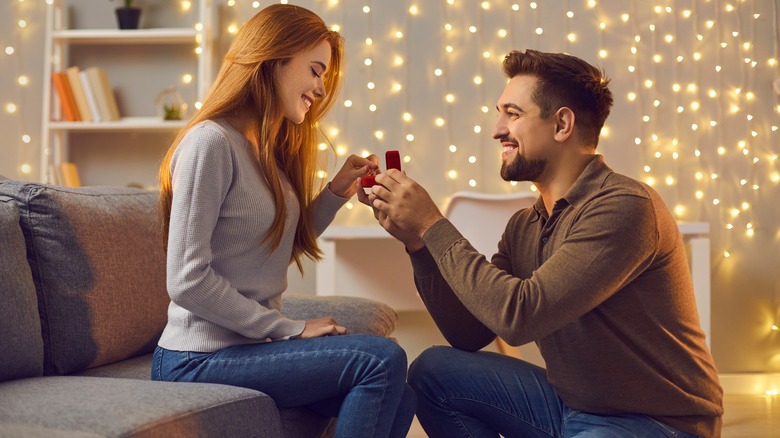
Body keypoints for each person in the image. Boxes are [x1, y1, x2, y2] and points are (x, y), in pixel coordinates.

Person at [362, 49, 723, 437]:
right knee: (435, 373)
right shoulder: (525, 225)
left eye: (513, 114)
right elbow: (470, 333)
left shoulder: (625, 206)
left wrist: (432, 224)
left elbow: (520, 316)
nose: (497, 130)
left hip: (656, 422)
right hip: (570, 407)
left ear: (562, 124)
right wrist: (418, 242)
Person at [152, 4, 415, 437]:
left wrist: (336, 192)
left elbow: (273, 247)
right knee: (380, 359)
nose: (320, 88)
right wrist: (290, 329)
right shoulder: (210, 143)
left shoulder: (266, 154)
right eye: (315, 70)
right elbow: (186, 280)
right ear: (274, 58)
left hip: (248, 349)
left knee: (402, 391)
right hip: (195, 358)